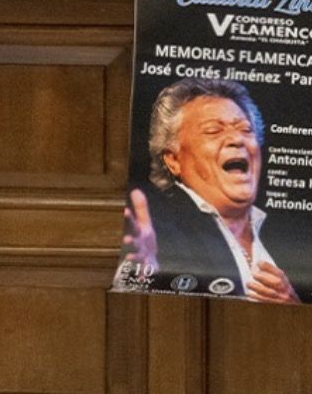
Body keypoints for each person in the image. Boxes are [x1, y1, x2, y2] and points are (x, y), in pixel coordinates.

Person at [120, 78, 299, 303]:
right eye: (213, 131)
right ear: (174, 160)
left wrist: (294, 304)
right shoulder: (159, 231)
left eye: (246, 130)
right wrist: (138, 275)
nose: (237, 139)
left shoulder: (292, 236)